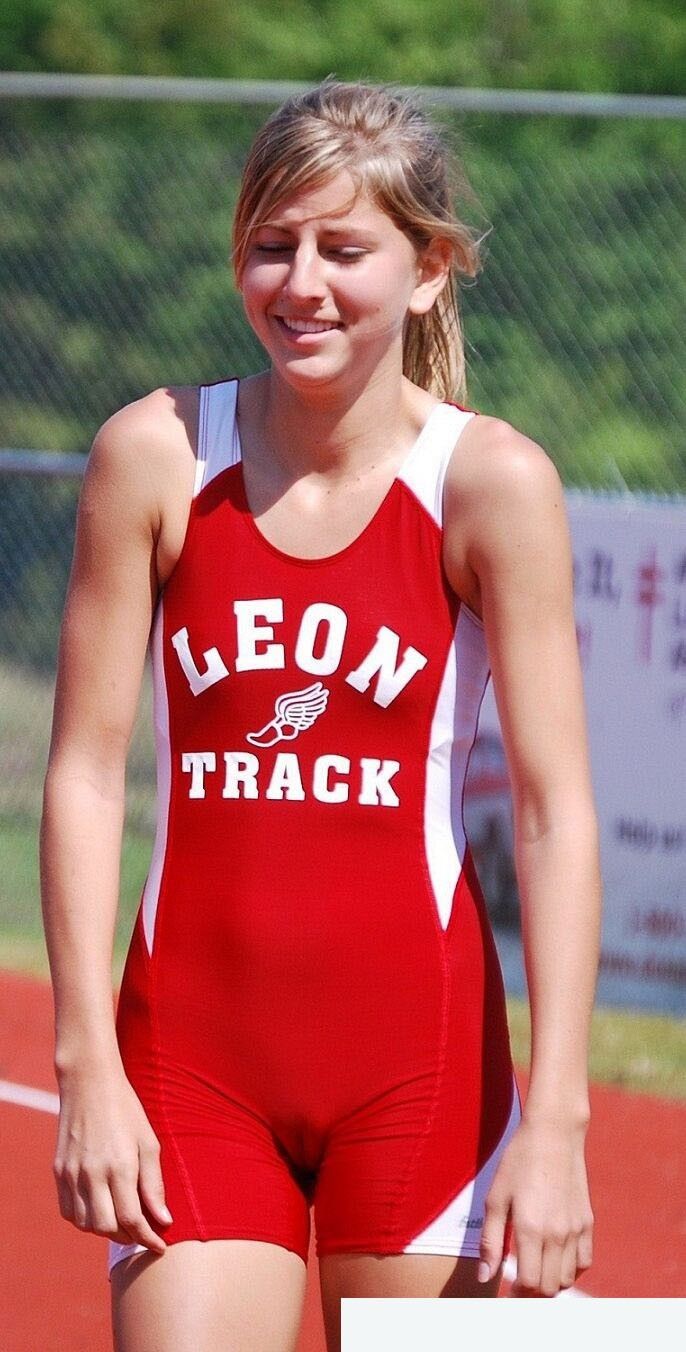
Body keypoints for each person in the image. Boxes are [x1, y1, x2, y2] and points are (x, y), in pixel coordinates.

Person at [40, 78, 601, 1351]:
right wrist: (85, 1063)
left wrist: (558, 1120)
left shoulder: (488, 480)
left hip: (420, 1070)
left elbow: (554, 811)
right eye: (271, 243)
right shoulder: (158, 452)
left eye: (343, 249)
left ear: (428, 270)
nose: (300, 283)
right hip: (191, 1059)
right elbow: (83, 773)